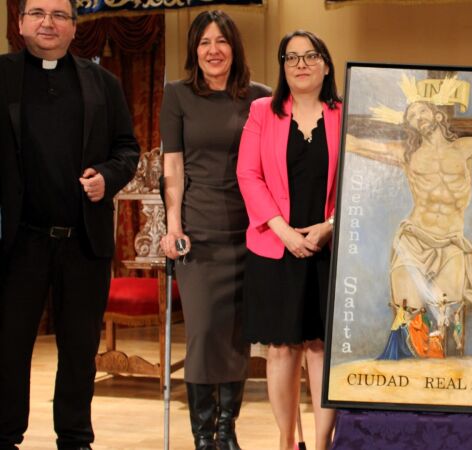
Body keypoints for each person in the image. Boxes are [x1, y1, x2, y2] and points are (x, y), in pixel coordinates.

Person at [0, 0, 139, 447]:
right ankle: (5, 435)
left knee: (79, 352)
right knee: (8, 349)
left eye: (60, 15)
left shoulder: (103, 83)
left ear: (75, 28)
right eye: (38, 13)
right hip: (17, 242)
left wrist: (107, 178)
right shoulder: (1, 76)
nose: (48, 22)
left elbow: (127, 149)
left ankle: (76, 439)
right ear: (21, 22)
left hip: (83, 242)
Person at [159, 10, 270, 450]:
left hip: (250, 233)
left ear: (234, 47)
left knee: (236, 337)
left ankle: (227, 432)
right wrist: (173, 226)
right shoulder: (178, 95)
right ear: (194, 50)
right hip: (199, 234)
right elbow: (173, 164)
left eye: (221, 41)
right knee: (204, 333)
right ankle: (203, 435)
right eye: (204, 42)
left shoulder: (260, 98)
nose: (213, 50)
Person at [346, 99, 472, 357]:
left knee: (444, 314)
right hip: (414, 238)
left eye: (422, 111)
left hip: (451, 242)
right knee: (409, 310)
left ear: (437, 116)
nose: (418, 117)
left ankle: (439, 370)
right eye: (412, 116)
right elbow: (355, 144)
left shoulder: (464, 148)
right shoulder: (408, 154)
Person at [236, 30, 339, 450]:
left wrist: (330, 224)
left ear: (326, 65)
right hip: (275, 247)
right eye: (291, 57)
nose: (301, 64)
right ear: (283, 67)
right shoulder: (262, 111)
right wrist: (283, 230)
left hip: (328, 248)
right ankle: (286, 442)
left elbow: (362, 179)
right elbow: (248, 174)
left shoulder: (345, 114)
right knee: (281, 349)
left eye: (310, 56)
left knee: (320, 348)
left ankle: (322, 443)